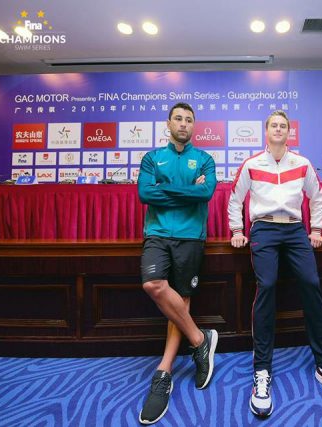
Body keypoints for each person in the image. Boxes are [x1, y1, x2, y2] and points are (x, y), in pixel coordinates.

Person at [228, 110, 322, 418]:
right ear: (266, 131)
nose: (278, 129)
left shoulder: (301, 163)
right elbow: (235, 199)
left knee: (311, 283)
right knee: (267, 285)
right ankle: (262, 371)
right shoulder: (252, 164)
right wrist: (236, 230)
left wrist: (316, 229)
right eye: (273, 125)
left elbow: (318, 196)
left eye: (283, 126)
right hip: (263, 228)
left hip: (294, 229)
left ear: (289, 132)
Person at [137, 102, 218, 424]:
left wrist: (165, 188)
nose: (183, 124)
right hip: (157, 233)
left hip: (191, 236)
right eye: (178, 119)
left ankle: (164, 372)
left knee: (181, 300)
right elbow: (145, 194)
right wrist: (188, 190)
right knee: (153, 284)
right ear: (168, 123)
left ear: (194, 126)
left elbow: (206, 193)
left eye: (189, 120)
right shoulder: (152, 158)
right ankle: (200, 339)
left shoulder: (206, 159)